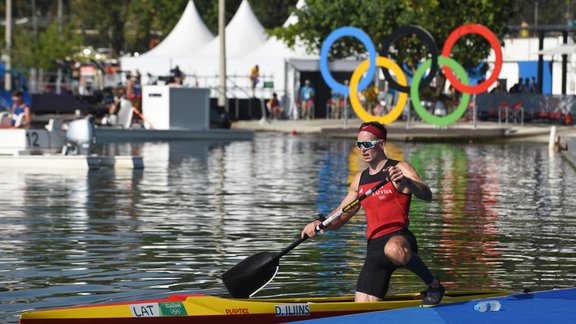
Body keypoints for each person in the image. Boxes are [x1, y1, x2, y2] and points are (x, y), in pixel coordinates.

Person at [301, 121, 445, 306]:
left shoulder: (400, 168)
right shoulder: (359, 179)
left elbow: (427, 195)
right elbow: (341, 216)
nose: (362, 149)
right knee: (363, 308)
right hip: (374, 249)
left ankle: (434, 285)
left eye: (367, 144)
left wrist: (407, 183)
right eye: (359, 145)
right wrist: (318, 223)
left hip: (399, 239)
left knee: (392, 249)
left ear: (381, 144)